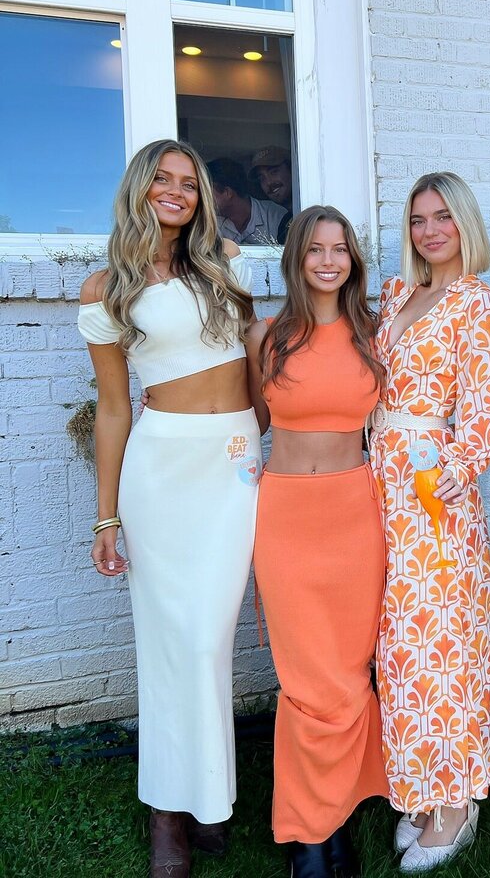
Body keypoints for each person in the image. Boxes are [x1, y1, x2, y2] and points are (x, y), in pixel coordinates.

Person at [77, 139, 260, 878]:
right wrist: (106, 516)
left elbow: (256, 360)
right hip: (161, 471)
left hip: (233, 463)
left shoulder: (226, 264)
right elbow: (113, 409)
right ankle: (170, 813)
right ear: (139, 189)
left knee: (208, 639)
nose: (177, 192)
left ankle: (208, 794)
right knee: (167, 640)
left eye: (189, 182)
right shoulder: (104, 289)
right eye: (163, 180)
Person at [370, 172, 490, 873]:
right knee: (401, 646)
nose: (430, 230)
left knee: (441, 642)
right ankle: (422, 780)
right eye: (418, 219)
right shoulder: (396, 295)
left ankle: (457, 799)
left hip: (433, 496)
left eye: (443, 217)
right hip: (379, 486)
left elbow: (479, 417)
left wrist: (446, 482)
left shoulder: (477, 305)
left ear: (465, 223)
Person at [246, 206, 388, 878]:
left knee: (348, 671)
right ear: (296, 259)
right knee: (305, 677)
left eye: (340, 249)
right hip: (286, 517)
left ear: (352, 260)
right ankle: (309, 835)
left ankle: (334, 815)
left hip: (355, 516)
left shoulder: (375, 333)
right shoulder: (267, 336)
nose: (329, 261)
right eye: (316, 250)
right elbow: (247, 422)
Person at [208, 158, 289, 245]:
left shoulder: (276, 216)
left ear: (227, 192)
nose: (203, 199)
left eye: (206, 193)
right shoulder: (210, 223)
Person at [251, 145, 293, 211]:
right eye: (261, 178)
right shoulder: (267, 214)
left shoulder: (308, 203)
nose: (268, 182)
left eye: (274, 172)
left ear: (291, 169)